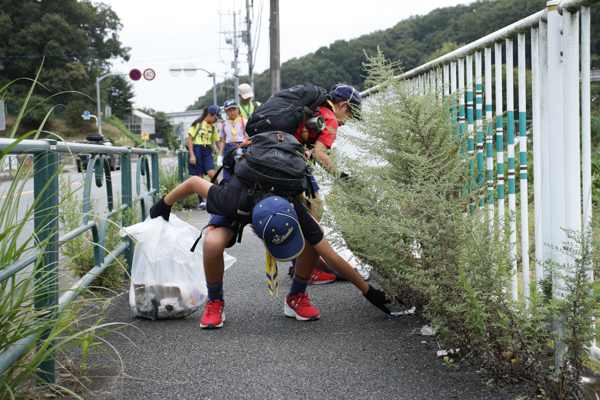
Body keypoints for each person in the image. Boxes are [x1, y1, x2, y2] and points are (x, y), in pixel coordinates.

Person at [149, 173, 393, 329]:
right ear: (256, 231)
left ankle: (295, 296)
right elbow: (193, 182)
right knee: (212, 242)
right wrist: (163, 204)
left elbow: (330, 255)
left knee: (312, 240)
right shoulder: (228, 199)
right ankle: (215, 301)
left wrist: (370, 292)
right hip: (240, 202)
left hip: (276, 198)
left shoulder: (294, 207)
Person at [289, 83, 363, 282]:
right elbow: (319, 153)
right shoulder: (329, 117)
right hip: (290, 162)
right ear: (343, 105)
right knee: (315, 212)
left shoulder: (317, 110)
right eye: (350, 114)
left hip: (279, 156)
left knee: (302, 213)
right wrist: (341, 176)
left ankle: (298, 265)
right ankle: (306, 269)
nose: (347, 121)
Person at [187, 105, 222, 210]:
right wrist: (192, 155)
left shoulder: (213, 128)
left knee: (213, 175)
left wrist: (223, 154)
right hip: (197, 150)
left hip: (207, 151)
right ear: (209, 115)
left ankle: (216, 196)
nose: (216, 120)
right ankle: (201, 202)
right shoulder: (197, 124)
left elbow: (218, 143)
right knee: (199, 177)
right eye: (215, 117)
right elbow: (189, 140)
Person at [217, 99, 248, 179]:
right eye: (229, 111)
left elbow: (248, 137)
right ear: (226, 112)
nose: (232, 112)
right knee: (227, 169)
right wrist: (220, 155)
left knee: (241, 169)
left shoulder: (243, 122)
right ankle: (226, 187)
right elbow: (223, 141)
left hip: (241, 146)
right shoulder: (224, 124)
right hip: (229, 147)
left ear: (237, 109)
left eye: (234, 110)